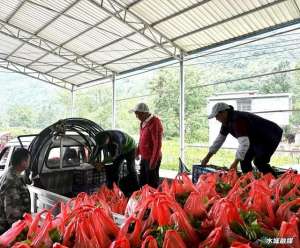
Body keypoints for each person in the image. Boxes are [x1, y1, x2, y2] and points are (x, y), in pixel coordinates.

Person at [201, 102, 283, 176]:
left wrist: (234, 163)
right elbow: (218, 141)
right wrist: (207, 157)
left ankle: (274, 183)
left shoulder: (237, 120)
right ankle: (249, 183)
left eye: (217, 116)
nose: (216, 119)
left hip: (269, 135)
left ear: (224, 113)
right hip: (255, 138)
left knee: (259, 162)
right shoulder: (226, 122)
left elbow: (244, 143)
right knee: (244, 160)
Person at [130, 103, 163, 188]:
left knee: (151, 182)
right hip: (144, 157)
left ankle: (153, 199)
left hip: (152, 158)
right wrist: (137, 151)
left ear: (144, 113)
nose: (136, 117)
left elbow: (157, 143)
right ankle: (144, 198)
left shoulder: (155, 122)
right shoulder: (143, 123)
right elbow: (141, 139)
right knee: (143, 181)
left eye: (137, 114)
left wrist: (153, 161)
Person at [95, 130, 139, 194]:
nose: (104, 146)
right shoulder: (98, 137)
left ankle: (136, 189)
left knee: (131, 168)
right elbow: (98, 148)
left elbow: (114, 156)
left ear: (108, 139)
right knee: (115, 168)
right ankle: (115, 189)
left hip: (130, 148)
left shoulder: (117, 139)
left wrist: (102, 163)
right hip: (119, 148)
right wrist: (94, 161)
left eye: (104, 144)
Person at [0, 148, 31, 234]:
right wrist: (20, 233)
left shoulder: (14, 174)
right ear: (23, 162)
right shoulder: (12, 180)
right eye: (28, 160)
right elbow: (13, 214)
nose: (29, 163)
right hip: (8, 230)